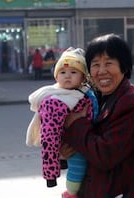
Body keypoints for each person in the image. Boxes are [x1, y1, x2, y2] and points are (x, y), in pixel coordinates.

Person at [61, 34, 134, 198]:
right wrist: (66, 152)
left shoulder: (130, 102)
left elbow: (104, 155)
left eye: (108, 63)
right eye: (95, 64)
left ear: (124, 66)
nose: (101, 71)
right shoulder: (96, 97)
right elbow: (84, 145)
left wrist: (76, 124)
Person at [26, 47, 99, 198]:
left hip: (87, 145)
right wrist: (50, 173)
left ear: (83, 77)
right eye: (63, 73)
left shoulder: (85, 92)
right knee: (76, 169)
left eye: (73, 72)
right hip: (73, 147)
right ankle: (70, 193)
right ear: (56, 76)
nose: (67, 77)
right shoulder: (55, 101)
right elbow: (49, 137)